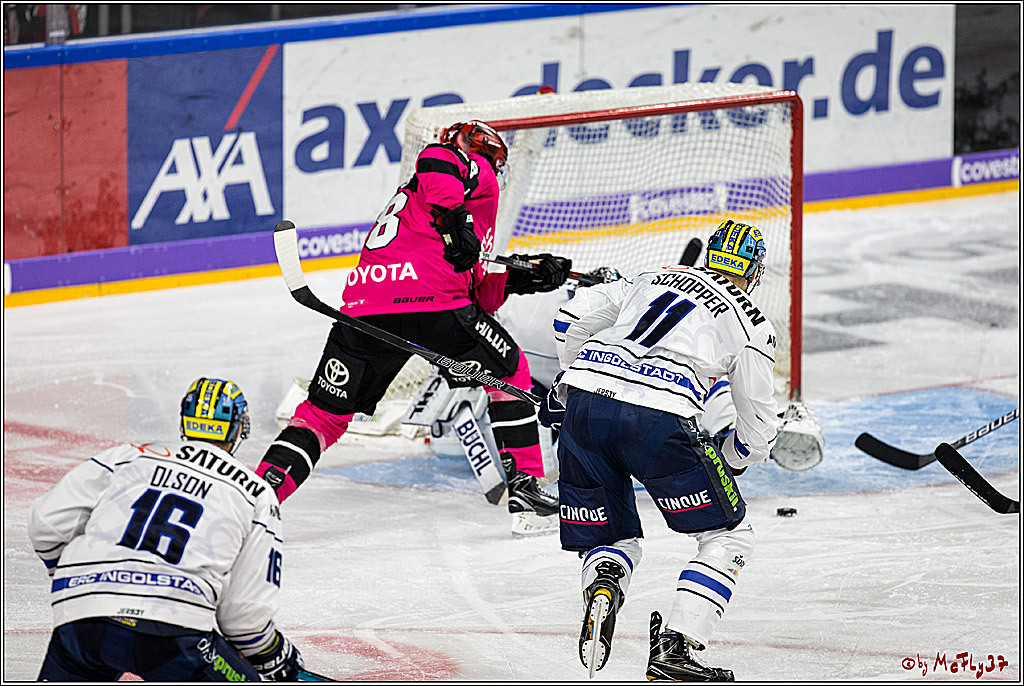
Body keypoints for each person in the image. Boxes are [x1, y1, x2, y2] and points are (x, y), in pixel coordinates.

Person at [257, 120, 572, 534]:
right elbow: (435, 158)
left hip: (366, 308)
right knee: (509, 372)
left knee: (322, 416)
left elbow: (475, 290)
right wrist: (456, 219)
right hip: (433, 306)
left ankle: (255, 498)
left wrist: (523, 278)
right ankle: (526, 493)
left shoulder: (429, 207)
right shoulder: (456, 167)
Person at [542, 219, 779, 681]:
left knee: (609, 536)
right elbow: (760, 431)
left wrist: (570, 384)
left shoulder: (654, 274)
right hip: (659, 419)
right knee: (729, 534)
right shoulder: (751, 320)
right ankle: (677, 648)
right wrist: (729, 457)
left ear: (711, 255)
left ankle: (605, 587)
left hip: (586, 406)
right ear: (753, 271)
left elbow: (571, 316)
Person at [28, 378, 303, 682]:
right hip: (171, 633)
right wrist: (274, 655)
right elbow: (244, 619)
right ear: (239, 428)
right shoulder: (255, 493)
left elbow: (47, 522)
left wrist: (76, 579)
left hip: (83, 620)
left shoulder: (130, 455)